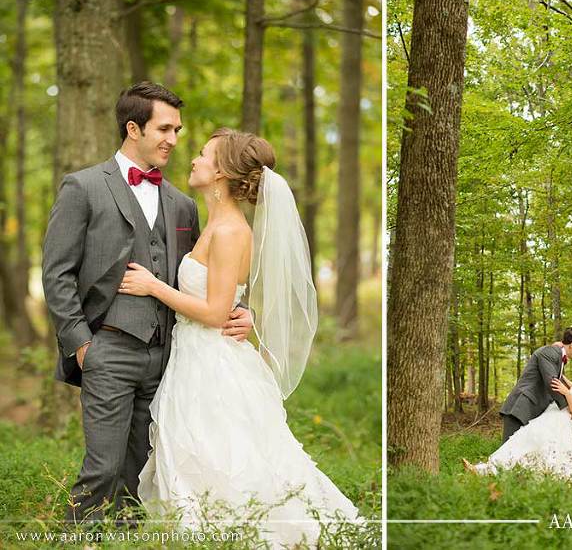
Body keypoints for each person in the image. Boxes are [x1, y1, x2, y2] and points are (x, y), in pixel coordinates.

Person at [118, 128, 359, 546]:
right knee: (202, 452)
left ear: (222, 172)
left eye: (203, 155)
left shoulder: (230, 231)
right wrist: (241, 309)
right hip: (194, 355)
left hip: (212, 361)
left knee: (221, 453)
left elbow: (213, 312)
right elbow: (224, 298)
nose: (193, 159)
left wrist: (154, 286)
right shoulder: (213, 224)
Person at [42, 82, 252, 523]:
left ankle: (129, 537)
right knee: (102, 468)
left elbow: (207, 276)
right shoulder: (82, 187)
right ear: (133, 128)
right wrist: (82, 343)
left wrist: (241, 309)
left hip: (171, 359)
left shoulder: (181, 204)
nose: (174, 140)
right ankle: (71, 538)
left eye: (178, 130)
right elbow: (57, 273)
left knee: (145, 473)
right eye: (165, 129)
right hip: (108, 349)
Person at [463, 363, 572, 481]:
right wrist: (557, 358)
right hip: (546, 419)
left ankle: (531, 479)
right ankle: (484, 469)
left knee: (546, 455)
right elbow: (559, 376)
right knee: (519, 442)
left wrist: (567, 394)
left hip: (559, 426)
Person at [498, 327, 572, 443]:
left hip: (534, 408)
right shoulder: (549, 352)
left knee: (520, 453)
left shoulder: (557, 355)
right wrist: (569, 408)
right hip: (522, 406)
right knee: (507, 450)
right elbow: (553, 384)